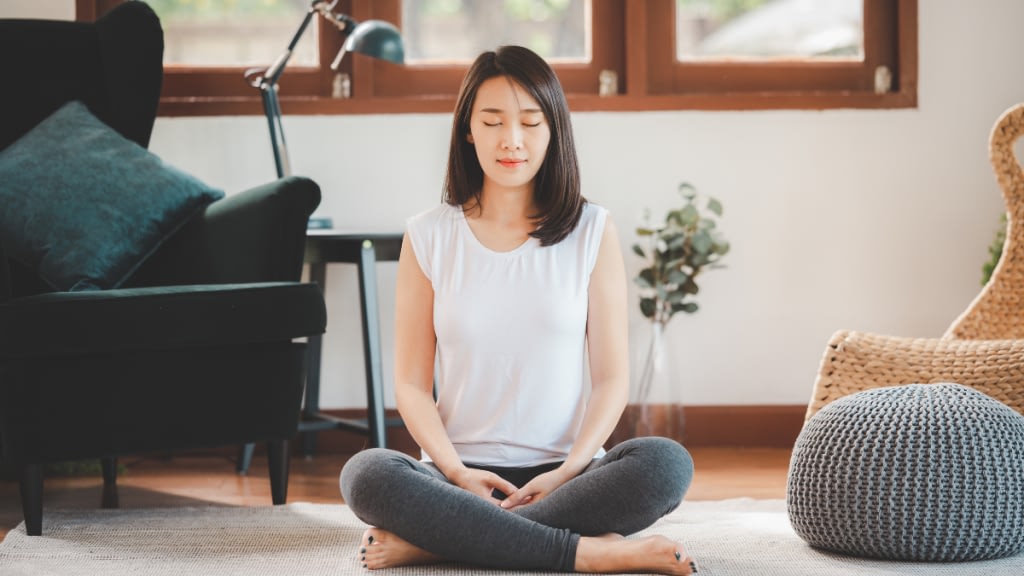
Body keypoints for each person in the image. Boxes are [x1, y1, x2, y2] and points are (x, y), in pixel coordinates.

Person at [340, 45, 697, 575]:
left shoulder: (591, 231)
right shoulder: (428, 235)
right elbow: (412, 386)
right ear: (468, 130)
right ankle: (591, 554)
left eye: (530, 122)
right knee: (366, 473)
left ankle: (440, 545)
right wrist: (458, 474)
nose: (512, 140)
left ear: (553, 131)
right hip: (455, 475)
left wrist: (569, 469)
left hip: (565, 474)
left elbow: (611, 380)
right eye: (492, 121)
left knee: (666, 464)